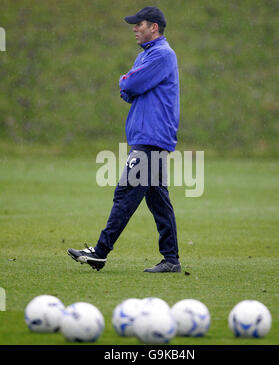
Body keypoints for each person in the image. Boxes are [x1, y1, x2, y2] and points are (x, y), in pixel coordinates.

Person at [68, 6, 181, 273]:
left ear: (153, 27)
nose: (134, 28)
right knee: (158, 201)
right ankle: (171, 260)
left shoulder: (161, 55)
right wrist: (129, 83)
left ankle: (100, 252)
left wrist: (126, 81)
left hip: (151, 137)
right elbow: (130, 90)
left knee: (126, 193)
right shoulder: (148, 56)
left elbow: (129, 85)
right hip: (148, 136)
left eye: (138, 24)